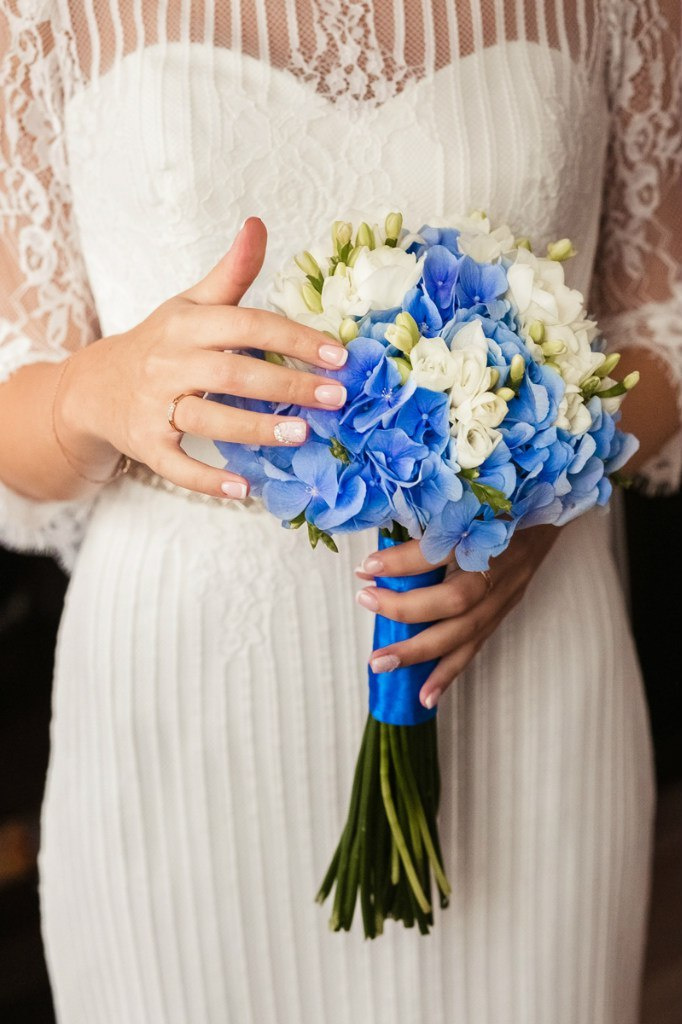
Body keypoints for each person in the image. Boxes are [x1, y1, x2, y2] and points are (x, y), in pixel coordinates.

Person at [0, 2, 680, 1021]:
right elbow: (17, 406)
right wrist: (92, 391)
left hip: (527, 668)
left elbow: (659, 319)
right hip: (184, 718)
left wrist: (535, 491)